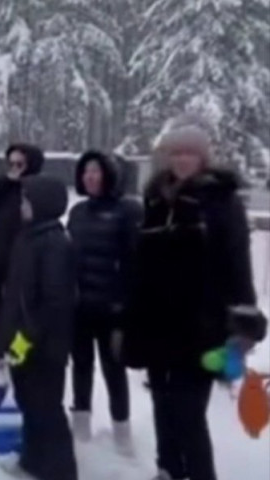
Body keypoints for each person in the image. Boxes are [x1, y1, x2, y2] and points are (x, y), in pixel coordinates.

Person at [124, 116, 267, 480]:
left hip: (202, 326)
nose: (182, 160)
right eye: (176, 153)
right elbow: (143, 263)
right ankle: (167, 471)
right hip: (157, 324)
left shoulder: (222, 201)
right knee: (162, 407)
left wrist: (244, 323)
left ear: (203, 158)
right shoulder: (155, 197)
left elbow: (238, 263)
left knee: (188, 414)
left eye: (190, 153)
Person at [0, 176, 77, 480]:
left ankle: (60, 472)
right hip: (23, 341)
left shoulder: (54, 243)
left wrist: (25, 340)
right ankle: (31, 462)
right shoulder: (29, 237)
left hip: (43, 346)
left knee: (47, 410)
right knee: (29, 405)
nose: (22, 206)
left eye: (26, 200)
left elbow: (53, 303)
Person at [66, 150, 142, 453]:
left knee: (114, 369)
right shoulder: (78, 212)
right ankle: (81, 426)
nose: (90, 176)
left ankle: (122, 430)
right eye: (86, 171)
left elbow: (136, 263)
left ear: (110, 175)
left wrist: (126, 306)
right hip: (80, 307)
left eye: (96, 171)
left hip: (113, 310)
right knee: (81, 366)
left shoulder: (128, 211)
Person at [0, 143, 45, 381]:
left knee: (19, 315)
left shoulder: (36, 190)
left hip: (22, 262)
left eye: (19, 164)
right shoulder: (3, 189)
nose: (14, 169)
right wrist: (3, 182)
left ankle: (18, 356)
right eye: (10, 164)